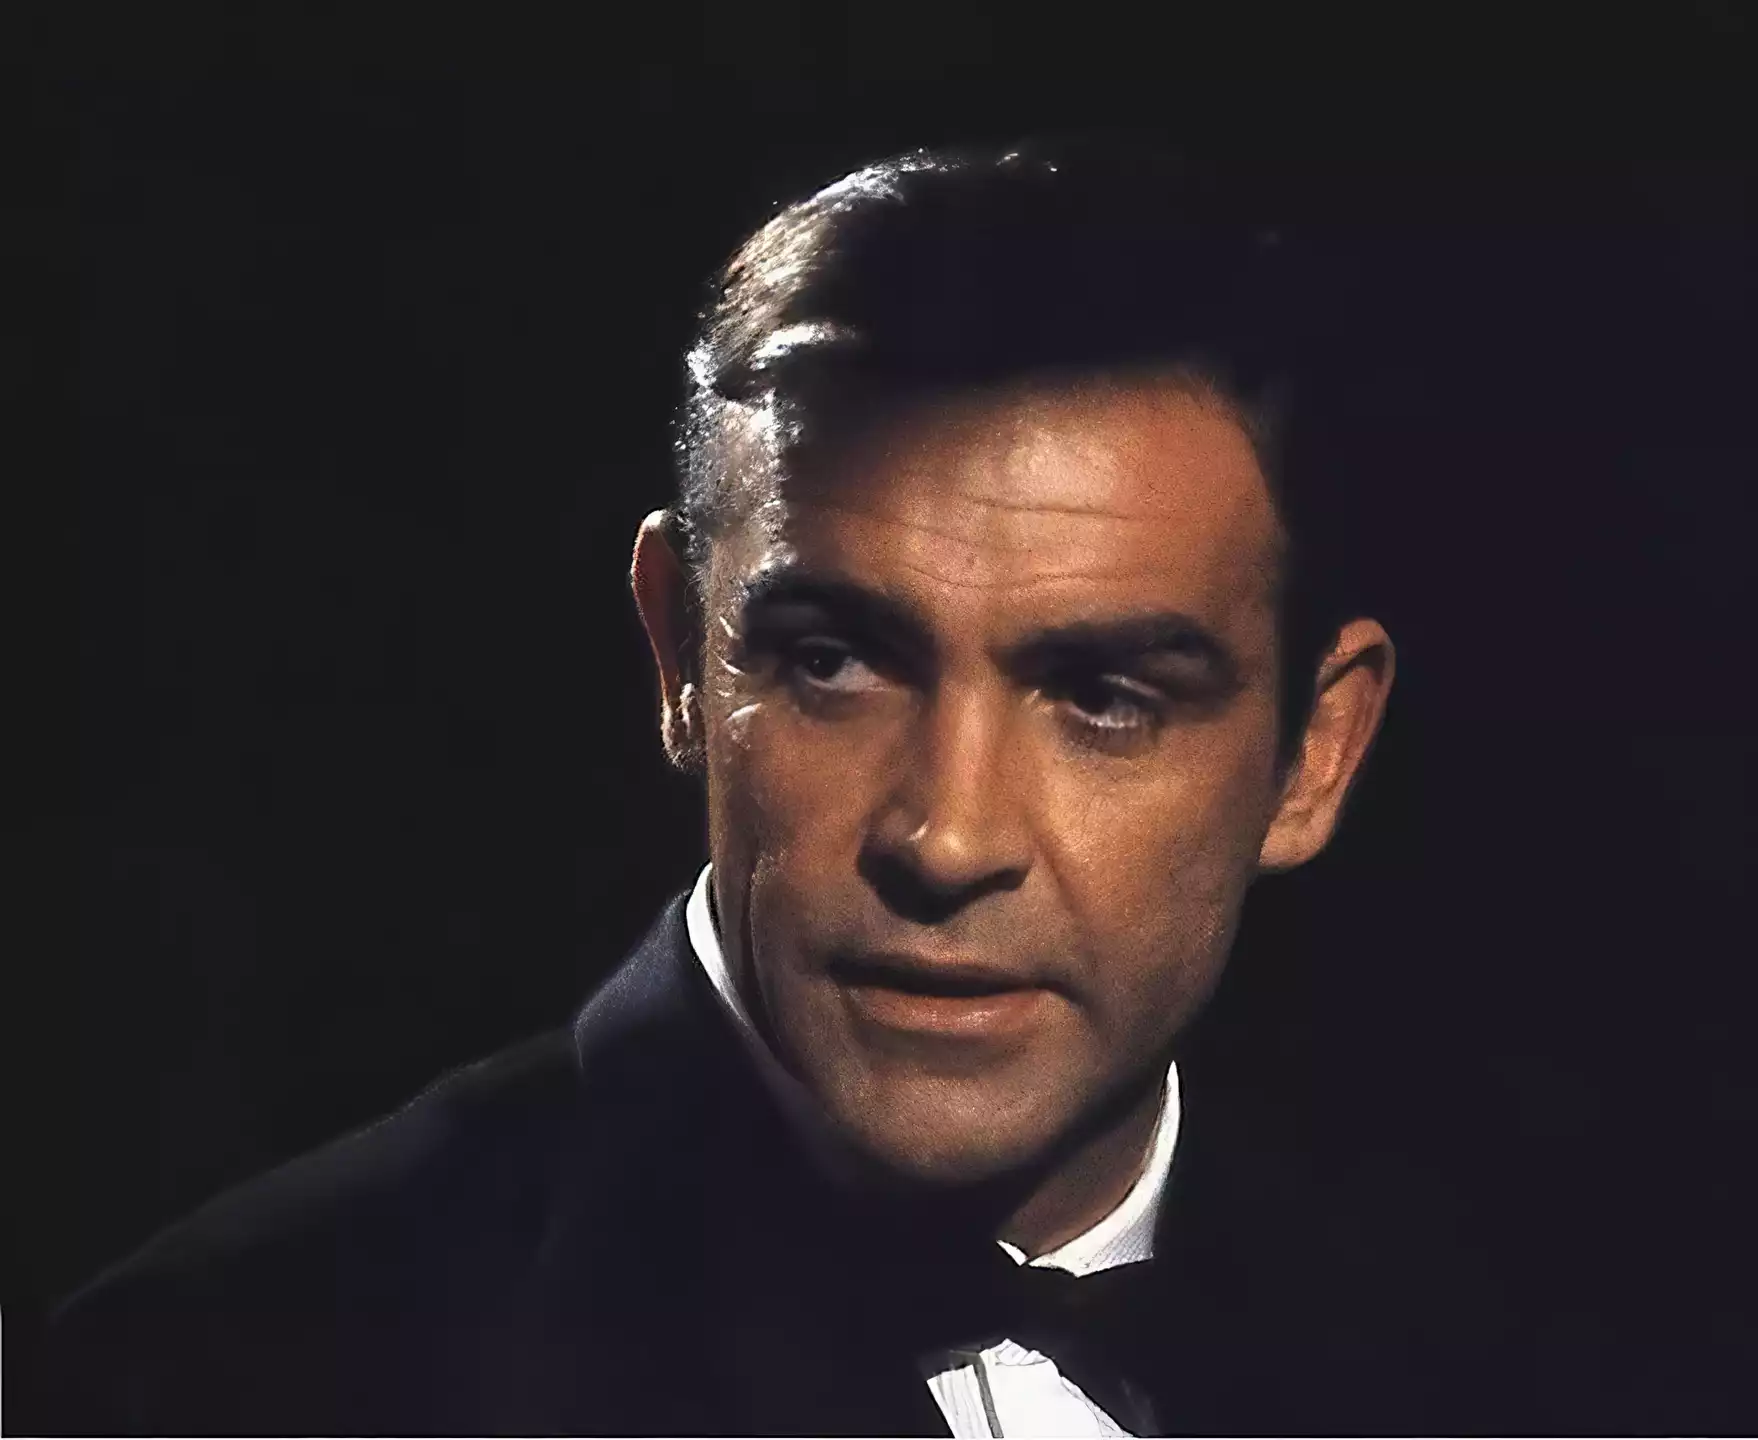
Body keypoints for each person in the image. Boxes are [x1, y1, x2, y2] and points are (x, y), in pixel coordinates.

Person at [40, 139, 1505, 1436]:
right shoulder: (218, 1382)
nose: (948, 837)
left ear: (1315, 756)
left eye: (1105, 697)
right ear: (681, 655)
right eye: (836, 663)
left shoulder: (1515, 1354)